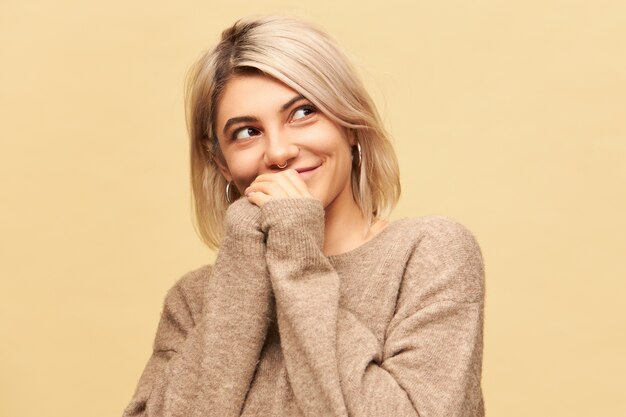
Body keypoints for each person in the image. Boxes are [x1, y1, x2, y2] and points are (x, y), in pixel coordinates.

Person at [123, 15, 485, 417]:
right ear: (222, 164)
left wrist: (297, 252)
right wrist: (243, 262)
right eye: (246, 132)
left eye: (302, 112)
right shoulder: (194, 302)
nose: (278, 152)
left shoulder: (428, 255)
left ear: (350, 123)